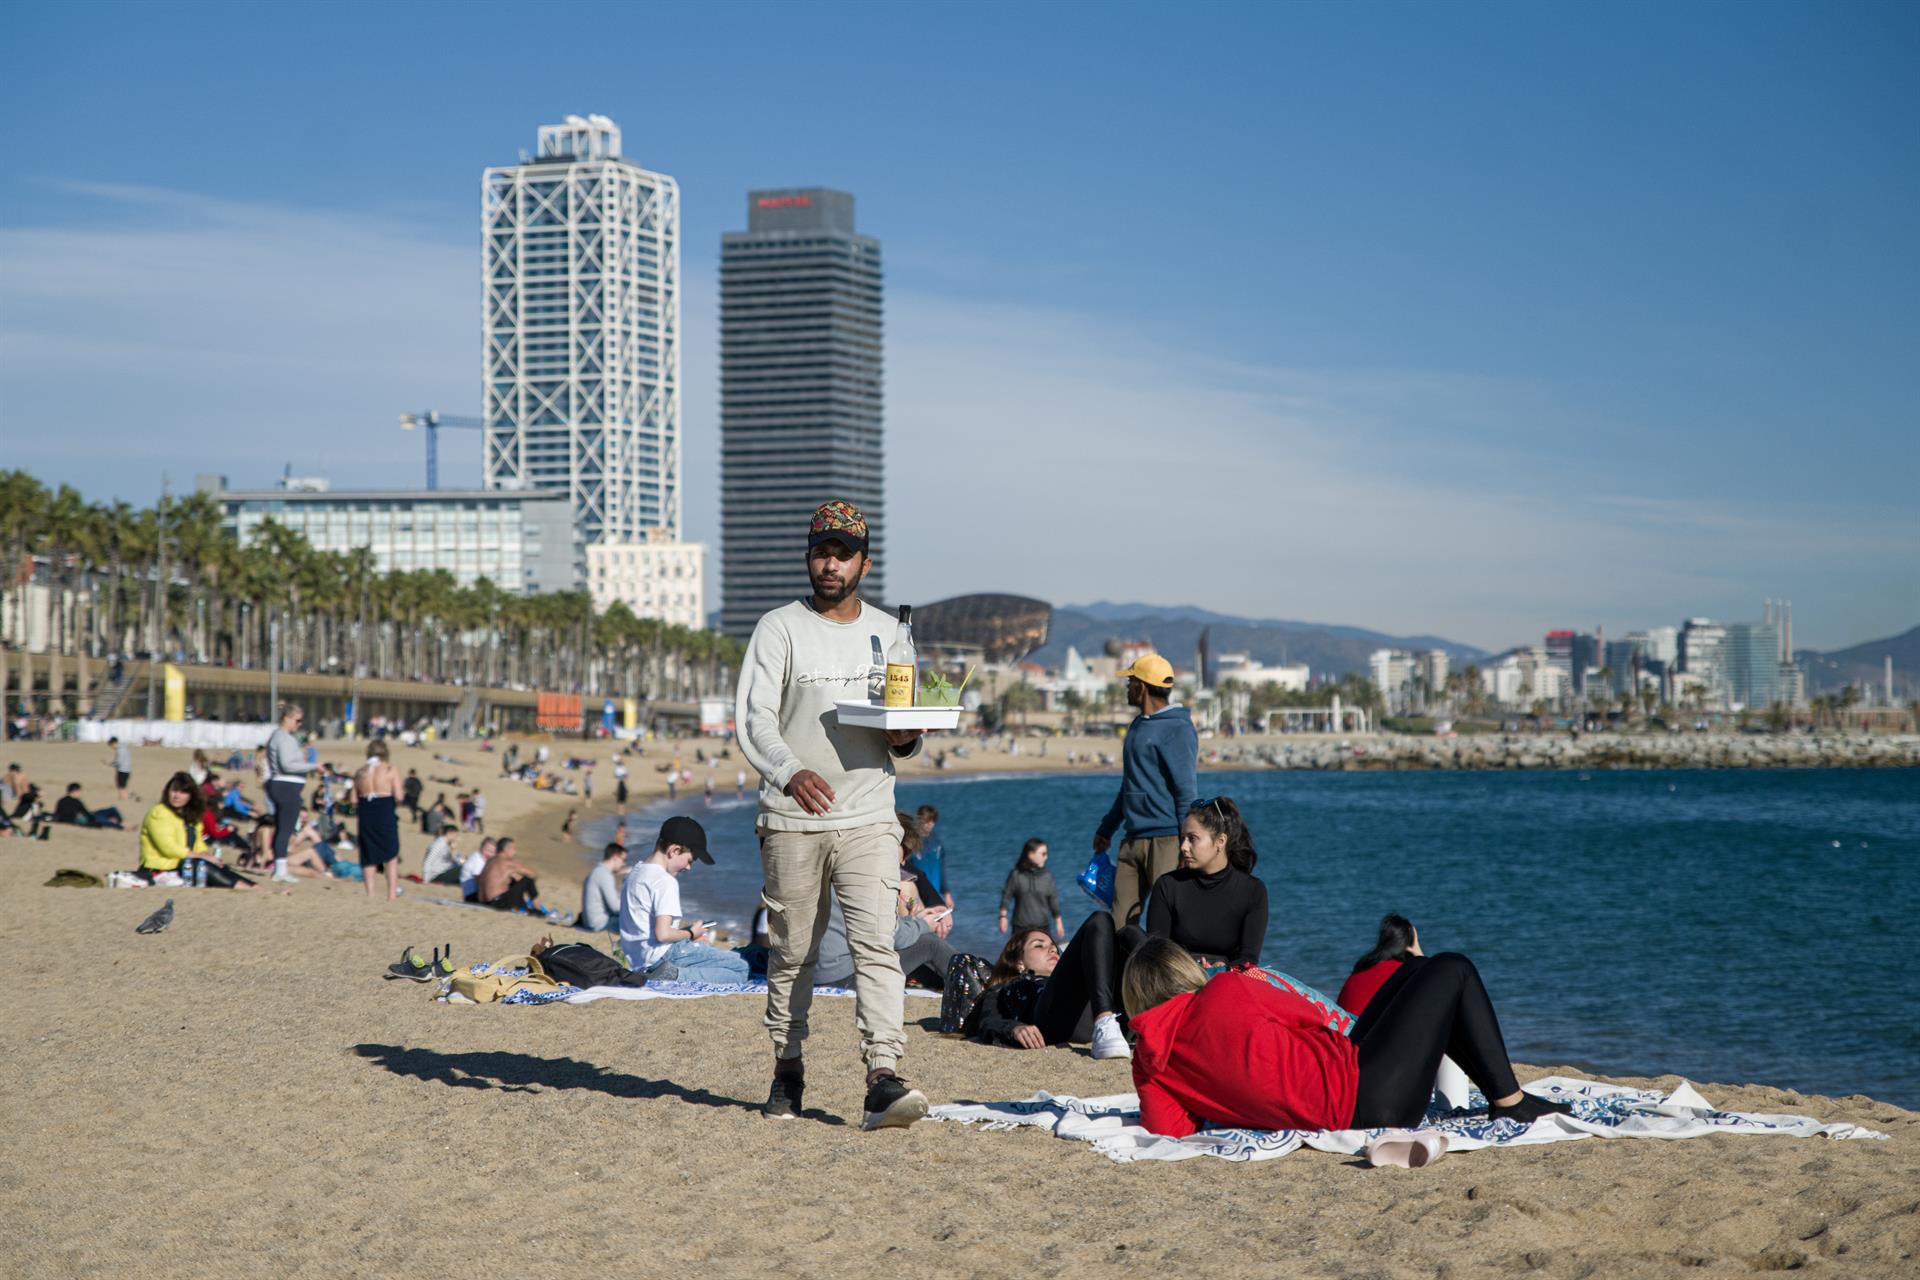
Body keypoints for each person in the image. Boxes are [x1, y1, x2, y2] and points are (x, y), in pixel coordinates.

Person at [735, 498, 929, 1129]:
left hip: (871, 813)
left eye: (842, 554)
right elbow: (755, 718)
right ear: (809, 557)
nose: (830, 564)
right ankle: (787, 1067)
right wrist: (790, 773)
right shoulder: (779, 627)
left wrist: (906, 738)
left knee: (877, 946)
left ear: (862, 564)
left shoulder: (891, 633)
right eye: (822, 551)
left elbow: (903, 724)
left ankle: (882, 1074)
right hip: (791, 817)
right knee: (793, 952)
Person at [1121, 936, 1576, 1138]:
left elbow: (1169, 1130)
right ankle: (1510, 1102)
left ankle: (1503, 1097)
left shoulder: (1149, 1062)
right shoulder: (1226, 988)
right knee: (1451, 968)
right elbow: (1318, 1018)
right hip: (1370, 1093)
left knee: (1415, 970)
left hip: (1354, 1099)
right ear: (1184, 970)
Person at [1092, 654, 1198, 928]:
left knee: (1165, 924)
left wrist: (1188, 844)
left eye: (1130, 681)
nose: (1127, 687)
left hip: (1166, 842)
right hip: (1132, 839)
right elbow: (1130, 784)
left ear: (1142, 686)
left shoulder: (1178, 728)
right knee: (1119, 923)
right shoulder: (1138, 725)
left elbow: (1186, 791)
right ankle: (1123, 971)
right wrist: (1107, 828)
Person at [963, 918, 1137, 1059]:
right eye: (1039, 945)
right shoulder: (1006, 987)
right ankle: (1104, 1021)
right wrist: (1013, 1028)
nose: (1052, 950)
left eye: (1054, 947)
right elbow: (987, 1020)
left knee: (1129, 933)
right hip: (1054, 1017)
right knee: (1099, 920)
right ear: (1019, 962)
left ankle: (1160, 1014)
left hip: (1102, 1011)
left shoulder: (1092, 979)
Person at [617, 816, 748, 983]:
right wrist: (692, 933)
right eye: (689, 860)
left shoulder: (635, 872)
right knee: (741, 968)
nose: (688, 867)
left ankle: (673, 971)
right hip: (664, 955)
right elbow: (663, 934)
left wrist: (688, 936)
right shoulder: (664, 881)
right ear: (674, 851)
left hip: (639, 960)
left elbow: (646, 927)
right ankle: (676, 975)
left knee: (717, 956)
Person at [1142, 797, 1268, 967]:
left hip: (1226, 981)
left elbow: (1249, 959)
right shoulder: (1168, 885)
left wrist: (1222, 969)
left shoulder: (1252, 891)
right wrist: (1192, 970)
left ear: (1220, 841)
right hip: (1177, 978)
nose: (1183, 847)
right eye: (1183, 838)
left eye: (1192, 838)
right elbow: (1157, 952)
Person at [136, 772, 264, 890]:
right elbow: (168, 847)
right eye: (174, 790)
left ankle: (254, 886)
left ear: (191, 796)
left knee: (219, 866)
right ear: (167, 792)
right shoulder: (159, 813)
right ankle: (243, 888)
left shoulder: (191, 816)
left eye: (183, 792)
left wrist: (207, 855)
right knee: (198, 864)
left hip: (184, 865)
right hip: (161, 869)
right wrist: (200, 856)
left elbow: (198, 843)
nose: (177, 795)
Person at [264, 703, 315, 882]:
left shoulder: (281, 737)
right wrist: (313, 766)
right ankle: (280, 870)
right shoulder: (283, 737)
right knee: (286, 829)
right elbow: (287, 765)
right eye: (297, 720)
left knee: (283, 828)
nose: (299, 724)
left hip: (284, 786)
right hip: (285, 786)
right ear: (287, 718)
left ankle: (280, 868)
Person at [1338, 913, 1421, 1017]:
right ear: (1409, 945)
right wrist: (1420, 956)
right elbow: (1434, 989)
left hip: (1343, 1028)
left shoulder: (1362, 968)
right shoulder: (1403, 972)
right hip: (1367, 1031)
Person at [354, 738, 403, 902]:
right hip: (384, 810)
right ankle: (391, 895)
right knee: (391, 854)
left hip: (366, 811)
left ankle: (370, 894)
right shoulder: (390, 769)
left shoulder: (360, 772)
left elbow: (353, 799)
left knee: (368, 854)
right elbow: (399, 795)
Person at [998, 838, 1064, 940]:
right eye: (1043, 854)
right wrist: (1003, 917)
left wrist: (1058, 922)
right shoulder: (1016, 875)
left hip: (1042, 927)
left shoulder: (1047, 876)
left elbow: (1053, 900)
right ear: (1030, 854)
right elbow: (1006, 896)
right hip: (1020, 927)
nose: (1046, 857)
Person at [477, 837, 547, 912]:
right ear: (506, 849)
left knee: (512, 881)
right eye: (514, 848)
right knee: (528, 879)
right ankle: (539, 908)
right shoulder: (507, 862)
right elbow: (533, 874)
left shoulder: (490, 861)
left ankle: (526, 907)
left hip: (484, 903)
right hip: (498, 903)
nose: (515, 852)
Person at [908, 804, 955, 910]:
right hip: (915, 896)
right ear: (919, 819)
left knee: (937, 925)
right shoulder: (911, 842)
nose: (930, 824)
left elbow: (942, 870)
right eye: (927, 820)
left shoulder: (937, 842)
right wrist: (909, 901)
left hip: (934, 895)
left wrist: (947, 893)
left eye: (933, 821)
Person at [579, 842, 628, 933]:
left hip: (591, 921)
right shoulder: (604, 875)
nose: (624, 864)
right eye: (623, 859)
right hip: (599, 924)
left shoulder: (598, 871)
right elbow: (615, 907)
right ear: (615, 857)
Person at [53, 782, 124, 829]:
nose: (80, 794)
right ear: (75, 791)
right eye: (79, 792)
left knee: (106, 815)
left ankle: (119, 822)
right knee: (111, 811)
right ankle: (121, 824)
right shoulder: (76, 801)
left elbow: (57, 814)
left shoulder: (61, 800)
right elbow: (86, 814)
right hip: (85, 819)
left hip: (79, 819)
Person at [459, 836, 494, 901]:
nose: (489, 853)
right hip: (471, 893)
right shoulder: (477, 859)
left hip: (471, 891)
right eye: (487, 850)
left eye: (492, 852)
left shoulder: (481, 858)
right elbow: (478, 878)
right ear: (481, 847)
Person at [108, 736, 134, 802]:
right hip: (127, 770)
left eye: (111, 745)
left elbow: (119, 762)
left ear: (114, 743)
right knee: (123, 786)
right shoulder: (125, 748)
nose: (112, 747)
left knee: (121, 786)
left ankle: (123, 799)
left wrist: (112, 764)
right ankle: (125, 797)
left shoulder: (120, 750)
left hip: (122, 770)